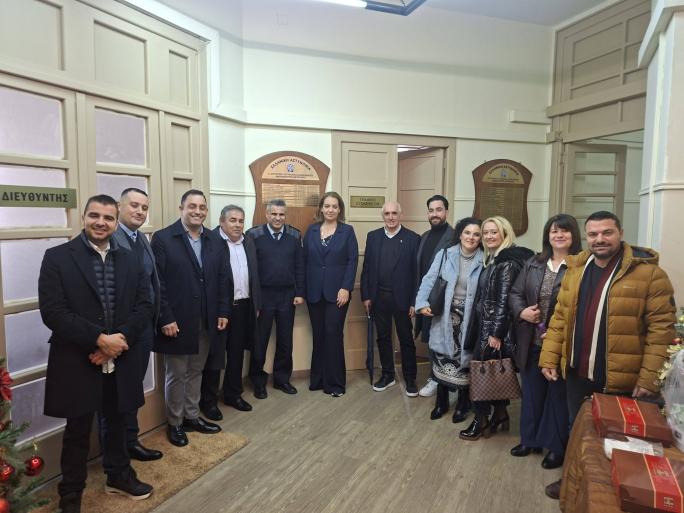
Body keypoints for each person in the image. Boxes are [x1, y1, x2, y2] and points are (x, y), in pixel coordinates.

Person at [539, 211, 676, 499]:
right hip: (578, 372)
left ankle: (614, 493)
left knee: (619, 441)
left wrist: (649, 377)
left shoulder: (649, 274)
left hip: (620, 376)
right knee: (578, 431)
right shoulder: (576, 268)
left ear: (620, 233)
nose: (599, 239)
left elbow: (661, 330)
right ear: (586, 237)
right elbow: (560, 316)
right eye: (593, 234)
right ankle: (574, 482)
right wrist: (549, 356)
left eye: (607, 232)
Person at [39, 194, 153, 513]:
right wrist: (100, 341)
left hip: (121, 356)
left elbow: (145, 306)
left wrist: (118, 342)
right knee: (77, 430)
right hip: (78, 358)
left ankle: (119, 476)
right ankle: (71, 494)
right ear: (84, 218)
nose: (101, 222)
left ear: (116, 222)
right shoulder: (57, 258)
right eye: (94, 216)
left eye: (108, 217)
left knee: (118, 421)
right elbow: (53, 312)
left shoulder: (130, 259)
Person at [151, 189, 230, 447]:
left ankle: (191, 416)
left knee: (196, 370)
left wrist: (223, 311)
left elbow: (223, 279)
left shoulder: (215, 240)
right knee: (176, 374)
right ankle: (175, 423)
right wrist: (165, 317)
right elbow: (157, 283)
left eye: (202, 207)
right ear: (181, 208)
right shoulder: (163, 238)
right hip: (176, 320)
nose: (197, 211)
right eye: (192, 206)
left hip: (207, 319)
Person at [508, 214, 581, 470]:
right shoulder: (534, 263)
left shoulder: (580, 266)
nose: (558, 235)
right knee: (532, 394)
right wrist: (522, 312)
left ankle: (556, 448)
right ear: (547, 236)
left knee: (558, 398)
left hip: (561, 343)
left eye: (564, 231)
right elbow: (515, 293)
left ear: (574, 235)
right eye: (554, 231)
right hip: (531, 341)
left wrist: (559, 330)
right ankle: (529, 440)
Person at [459, 216, 533, 441]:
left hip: (493, 328)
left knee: (481, 374)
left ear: (505, 234)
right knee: (494, 372)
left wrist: (496, 334)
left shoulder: (507, 263)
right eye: (486, 233)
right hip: (486, 325)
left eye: (494, 232)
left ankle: (480, 420)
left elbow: (504, 301)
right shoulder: (495, 259)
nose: (489, 236)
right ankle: (500, 415)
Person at [106, 188, 163, 462]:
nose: (140, 211)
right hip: (119, 332)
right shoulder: (110, 239)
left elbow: (151, 283)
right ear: (119, 207)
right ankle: (116, 452)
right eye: (134, 205)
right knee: (116, 395)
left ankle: (130, 441)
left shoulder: (141, 238)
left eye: (144, 207)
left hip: (143, 328)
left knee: (132, 390)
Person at [415, 217, 484, 423]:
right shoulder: (446, 254)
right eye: (467, 233)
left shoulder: (485, 259)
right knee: (442, 358)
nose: (471, 237)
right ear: (460, 234)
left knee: (464, 361)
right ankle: (441, 402)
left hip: (470, 319)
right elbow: (429, 279)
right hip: (444, 315)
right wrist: (421, 303)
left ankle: (463, 404)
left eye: (476, 234)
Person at [200, 205, 261, 416]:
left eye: (241, 221)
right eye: (232, 220)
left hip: (243, 307)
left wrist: (256, 304)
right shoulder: (210, 242)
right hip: (219, 310)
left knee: (236, 354)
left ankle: (233, 394)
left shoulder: (249, 242)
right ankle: (208, 401)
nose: (237, 225)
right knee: (215, 356)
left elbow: (255, 275)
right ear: (221, 222)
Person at [360, 201, 420, 396]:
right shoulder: (373, 237)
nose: (391, 217)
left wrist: (415, 302)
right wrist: (366, 296)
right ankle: (388, 375)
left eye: (394, 213)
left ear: (401, 215)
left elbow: (417, 274)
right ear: (383, 216)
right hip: (379, 298)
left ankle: (410, 378)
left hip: (403, 300)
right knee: (383, 338)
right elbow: (367, 269)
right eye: (387, 214)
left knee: (406, 339)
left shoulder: (413, 239)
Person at [246, 199, 305, 398]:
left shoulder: (295, 235)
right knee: (259, 341)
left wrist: (299, 292)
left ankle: (282, 380)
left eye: (281, 214)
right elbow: (249, 268)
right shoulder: (254, 235)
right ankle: (258, 381)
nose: (278, 218)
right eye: (274, 214)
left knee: (285, 341)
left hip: (287, 296)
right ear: (267, 214)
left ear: (285, 215)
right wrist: (254, 298)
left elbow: (300, 265)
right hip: (263, 296)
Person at [303, 192, 358, 397]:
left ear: (340, 209)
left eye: (334, 206)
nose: (330, 210)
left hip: (338, 293)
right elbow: (304, 261)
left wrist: (346, 288)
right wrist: (302, 289)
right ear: (321, 208)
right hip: (314, 292)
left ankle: (335, 384)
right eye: (327, 206)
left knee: (333, 334)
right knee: (319, 335)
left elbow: (352, 261)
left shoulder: (347, 231)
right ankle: (318, 380)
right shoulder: (311, 230)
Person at [416, 195, 455, 398]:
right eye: (431, 210)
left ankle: (441, 380)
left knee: (444, 340)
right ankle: (436, 377)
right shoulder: (424, 237)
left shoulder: (455, 237)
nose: (435, 214)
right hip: (427, 299)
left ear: (446, 212)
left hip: (444, 299)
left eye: (439, 210)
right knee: (431, 339)